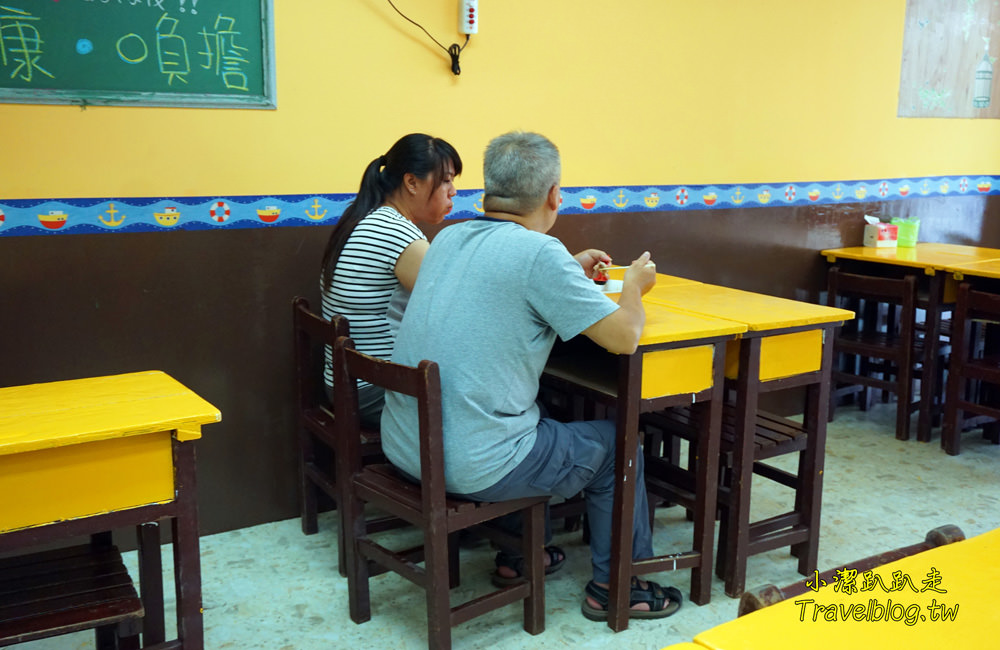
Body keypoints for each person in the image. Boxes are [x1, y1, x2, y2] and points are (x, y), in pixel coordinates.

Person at [381, 131, 681, 620]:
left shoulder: (451, 236)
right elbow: (625, 337)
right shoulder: (541, 255)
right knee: (616, 442)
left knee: (534, 415)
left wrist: (567, 269)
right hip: (470, 463)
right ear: (553, 196)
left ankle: (520, 557)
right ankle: (616, 588)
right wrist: (634, 288)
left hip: (409, 444)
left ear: (487, 191)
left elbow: (502, 287)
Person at [320, 133, 461, 425]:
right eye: (446, 180)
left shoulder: (363, 217)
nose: (453, 191)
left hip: (346, 382)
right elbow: (454, 306)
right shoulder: (397, 233)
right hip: (373, 390)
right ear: (411, 182)